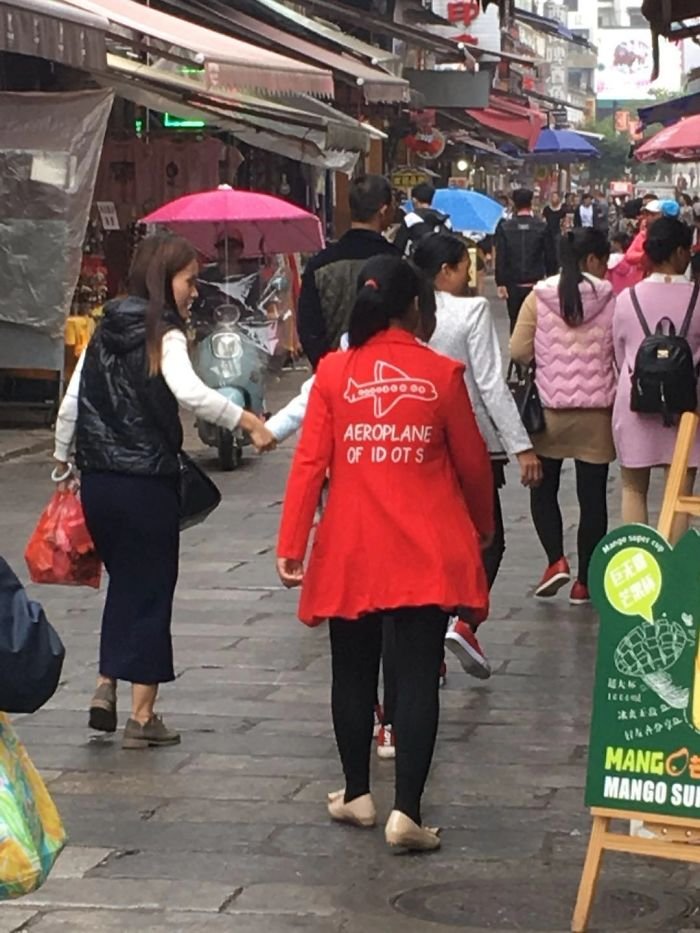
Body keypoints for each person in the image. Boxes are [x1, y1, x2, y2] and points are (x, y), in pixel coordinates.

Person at [276, 255, 493, 852]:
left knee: (351, 671)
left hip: (352, 546)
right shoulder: (441, 374)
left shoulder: (334, 373)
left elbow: (310, 463)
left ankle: (356, 793)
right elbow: (474, 464)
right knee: (417, 675)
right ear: (415, 308)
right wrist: (482, 526)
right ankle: (408, 814)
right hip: (425, 548)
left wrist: (292, 543)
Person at [52, 235, 276, 749]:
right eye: (189, 280)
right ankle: (143, 716)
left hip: (100, 483)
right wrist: (246, 420)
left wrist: (63, 462)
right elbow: (191, 393)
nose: (194, 291)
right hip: (146, 484)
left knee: (126, 583)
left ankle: (106, 682)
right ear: (163, 279)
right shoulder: (163, 332)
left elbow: (71, 402)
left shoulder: (106, 326)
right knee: (151, 590)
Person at [412, 233, 542, 675]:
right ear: (445, 270)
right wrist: (520, 445)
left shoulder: (405, 308)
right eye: (464, 269)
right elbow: (489, 383)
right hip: (468, 441)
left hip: (414, 442)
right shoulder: (470, 311)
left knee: (429, 547)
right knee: (489, 539)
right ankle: (463, 621)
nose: (469, 278)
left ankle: (430, 641)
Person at [510, 228, 616, 605]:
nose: (606, 269)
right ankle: (584, 583)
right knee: (593, 499)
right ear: (592, 259)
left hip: (548, 414)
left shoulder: (538, 297)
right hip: (596, 416)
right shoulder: (610, 298)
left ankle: (555, 560)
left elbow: (518, 350)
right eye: (604, 261)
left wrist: (549, 363)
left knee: (544, 490)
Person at [613, 217, 699, 541]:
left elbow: (619, 353)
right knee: (678, 493)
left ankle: (641, 558)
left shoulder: (627, 298)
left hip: (636, 401)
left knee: (633, 489)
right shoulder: (697, 298)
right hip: (687, 406)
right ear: (678, 252)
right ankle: (672, 562)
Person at [297, 175, 397, 368]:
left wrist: (326, 367)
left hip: (333, 371)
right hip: (386, 371)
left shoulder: (319, 264)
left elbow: (308, 328)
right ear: (384, 210)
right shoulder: (397, 262)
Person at [495, 188, 558, 333]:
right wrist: (552, 277)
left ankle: (515, 346)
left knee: (515, 321)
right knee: (536, 323)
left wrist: (501, 282)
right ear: (531, 203)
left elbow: (501, 256)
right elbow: (550, 256)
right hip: (536, 283)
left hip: (513, 284)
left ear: (514, 204)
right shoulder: (542, 226)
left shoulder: (505, 227)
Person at [394, 183, 451, 257]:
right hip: (441, 261)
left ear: (414, 200)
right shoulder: (444, 218)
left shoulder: (411, 218)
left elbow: (398, 247)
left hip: (418, 261)